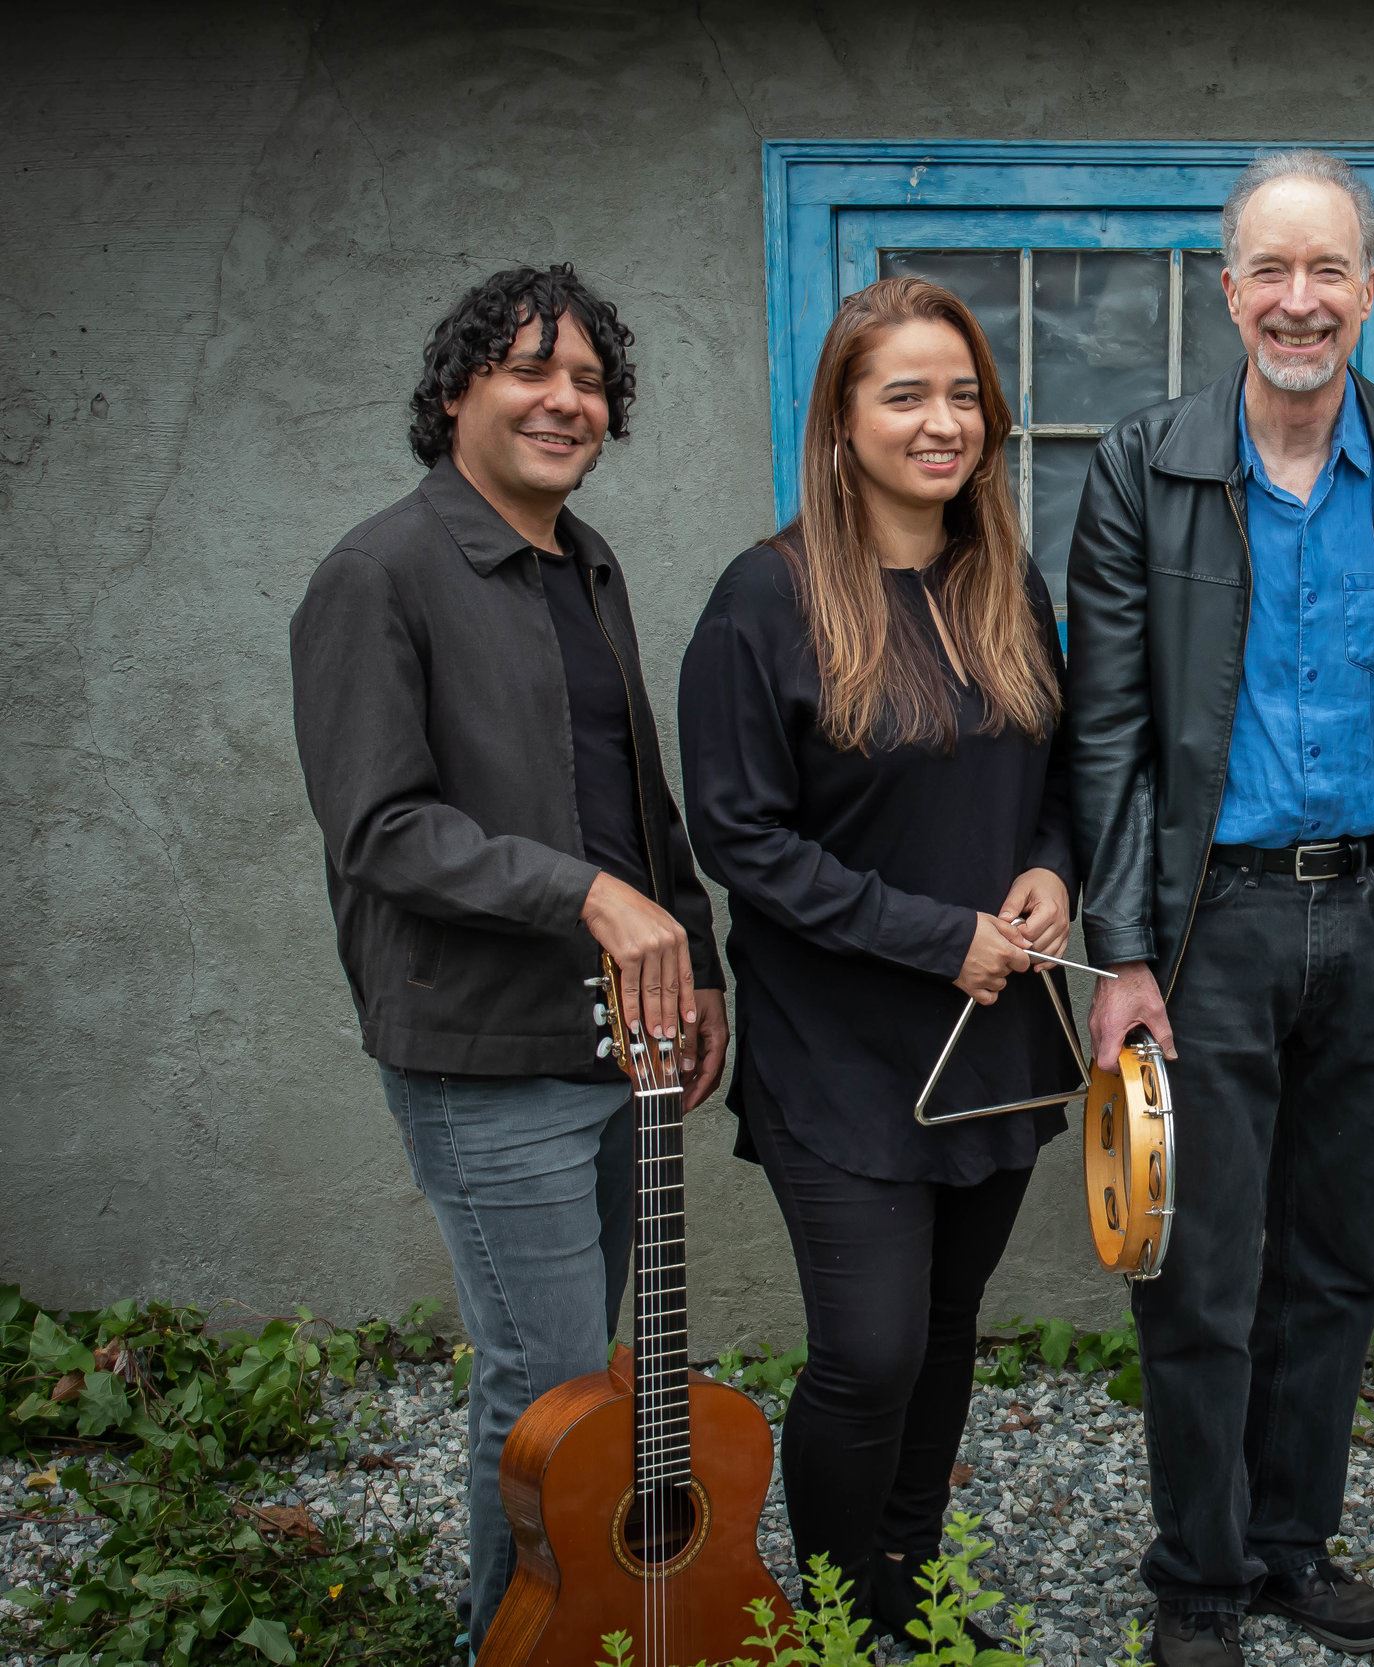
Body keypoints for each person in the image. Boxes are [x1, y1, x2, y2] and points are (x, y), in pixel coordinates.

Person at [1065, 150, 1374, 1667]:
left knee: (1335, 1261)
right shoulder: (1143, 464)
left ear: (1370, 290)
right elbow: (1104, 726)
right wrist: (1118, 950)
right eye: (1271, 271)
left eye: (1330, 273)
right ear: (1225, 287)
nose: (1300, 302)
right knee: (1200, 1262)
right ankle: (1196, 1576)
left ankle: (1293, 1546)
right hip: (1208, 928)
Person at [290, 264, 726, 1653]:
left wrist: (697, 958)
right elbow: (383, 828)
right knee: (544, 1389)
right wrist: (589, 898)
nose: (566, 399)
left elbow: (637, 802)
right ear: (454, 392)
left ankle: (571, 1622)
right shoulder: (378, 574)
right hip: (486, 1054)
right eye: (531, 369)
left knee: (581, 1392)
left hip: (617, 1044)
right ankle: (523, 1638)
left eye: (591, 379)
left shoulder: (581, 562)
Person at [676, 276, 1074, 1643]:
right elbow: (743, 839)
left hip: (991, 1041)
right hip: (838, 1046)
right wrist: (933, 935)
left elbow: (1060, 776)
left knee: (949, 1329)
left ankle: (912, 1582)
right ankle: (840, 1613)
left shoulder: (1004, 581)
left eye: (962, 394)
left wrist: (1053, 871)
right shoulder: (765, 601)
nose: (941, 421)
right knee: (869, 1349)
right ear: (843, 421)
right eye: (905, 393)